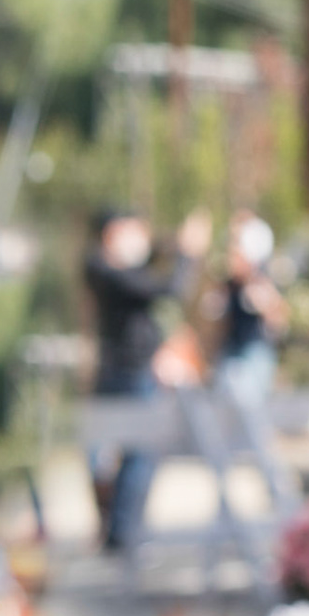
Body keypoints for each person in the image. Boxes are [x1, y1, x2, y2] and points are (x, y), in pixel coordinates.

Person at [84, 208, 209, 550]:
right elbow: (166, 289)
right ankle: (120, 532)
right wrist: (188, 255)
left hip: (137, 372)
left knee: (138, 454)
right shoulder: (102, 267)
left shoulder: (123, 268)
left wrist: (176, 245)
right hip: (125, 375)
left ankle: (121, 532)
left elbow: (154, 260)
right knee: (128, 454)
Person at [213, 210, 288, 408]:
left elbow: (278, 319)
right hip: (233, 350)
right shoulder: (228, 284)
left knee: (252, 412)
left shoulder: (261, 280)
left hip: (253, 351)